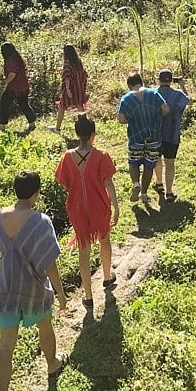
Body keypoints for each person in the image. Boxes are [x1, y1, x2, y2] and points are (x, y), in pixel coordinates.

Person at [0, 170, 68, 391]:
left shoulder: (0, 216)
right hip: (34, 288)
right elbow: (49, 263)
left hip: (7, 287)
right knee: (45, 326)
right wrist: (61, 293)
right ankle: (52, 363)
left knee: (5, 347)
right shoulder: (41, 221)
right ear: (36, 194)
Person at [54, 115, 119, 308]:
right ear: (93, 134)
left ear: (76, 134)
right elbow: (109, 182)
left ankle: (89, 296)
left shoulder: (67, 157)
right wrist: (116, 206)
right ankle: (107, 277)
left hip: (77, 209)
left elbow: (64, 181)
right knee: (104, 239)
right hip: (99, 206)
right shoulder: (102, 155)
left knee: (83, 248)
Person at [115, 72, 168, 205]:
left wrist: (130, 119)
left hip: (135, 137)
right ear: (141, 82)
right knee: (149, 166)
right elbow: (166, 109)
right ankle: (144, 193)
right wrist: (158, 115)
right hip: (154, 137)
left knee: (133, 162)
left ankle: (135, 183)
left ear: (129, 85)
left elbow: (121, 119)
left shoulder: (126, 99)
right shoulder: (154, 94)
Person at [154, 69, 190, 202]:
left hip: (155, 134)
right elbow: (189, 101)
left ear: (159, 80)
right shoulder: (178, 95)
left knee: (156, 159)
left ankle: (158, 183)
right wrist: (182, 86)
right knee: (170, 163)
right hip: (172, 134)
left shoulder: (153, 94)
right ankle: (169, 192)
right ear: (171, 80)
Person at [0, 42, 36, 132]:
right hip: (23, 85)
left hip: (14, 87)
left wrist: (6, 83)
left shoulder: (10, 60)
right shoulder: (18, 58)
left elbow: (12, 74)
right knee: (24, 105)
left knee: (4, 103)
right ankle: (32, 123)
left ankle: (2, 125)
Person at [49, 44, 88, 133]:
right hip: (79, 88)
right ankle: (86, 125)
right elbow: (83, 74)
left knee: (62, 107)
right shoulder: (78, 62)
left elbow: (67, 77)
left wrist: (67, 89)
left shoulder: (67, 63)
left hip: (70, 88)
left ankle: (57, 128)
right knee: (79, 106)